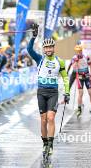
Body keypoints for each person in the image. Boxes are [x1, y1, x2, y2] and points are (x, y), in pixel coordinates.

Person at [27, 23, 70, 157]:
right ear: (44, 49)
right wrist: (34, 36)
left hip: (53, 93)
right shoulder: (40, 59)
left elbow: (65, 78)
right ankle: (45, 143)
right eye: (46, 47)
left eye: (51, 47)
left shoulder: (60, 62)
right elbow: (29, 50)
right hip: (41, 92)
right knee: (43, 119)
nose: (49, 49)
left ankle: (51, 144)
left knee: (51, 118)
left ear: (53, 48)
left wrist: (67, 92)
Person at [68, 44, 91, 116]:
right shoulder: (74, 58)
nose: (78, 52)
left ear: (82, 50)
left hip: (87, 77)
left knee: (90, 93)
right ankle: (79, 108)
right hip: (79, 78)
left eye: (79, 51)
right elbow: (74, 67)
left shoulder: (86, 57)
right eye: (77, 51)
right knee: (81, 93)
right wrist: (76, 61)